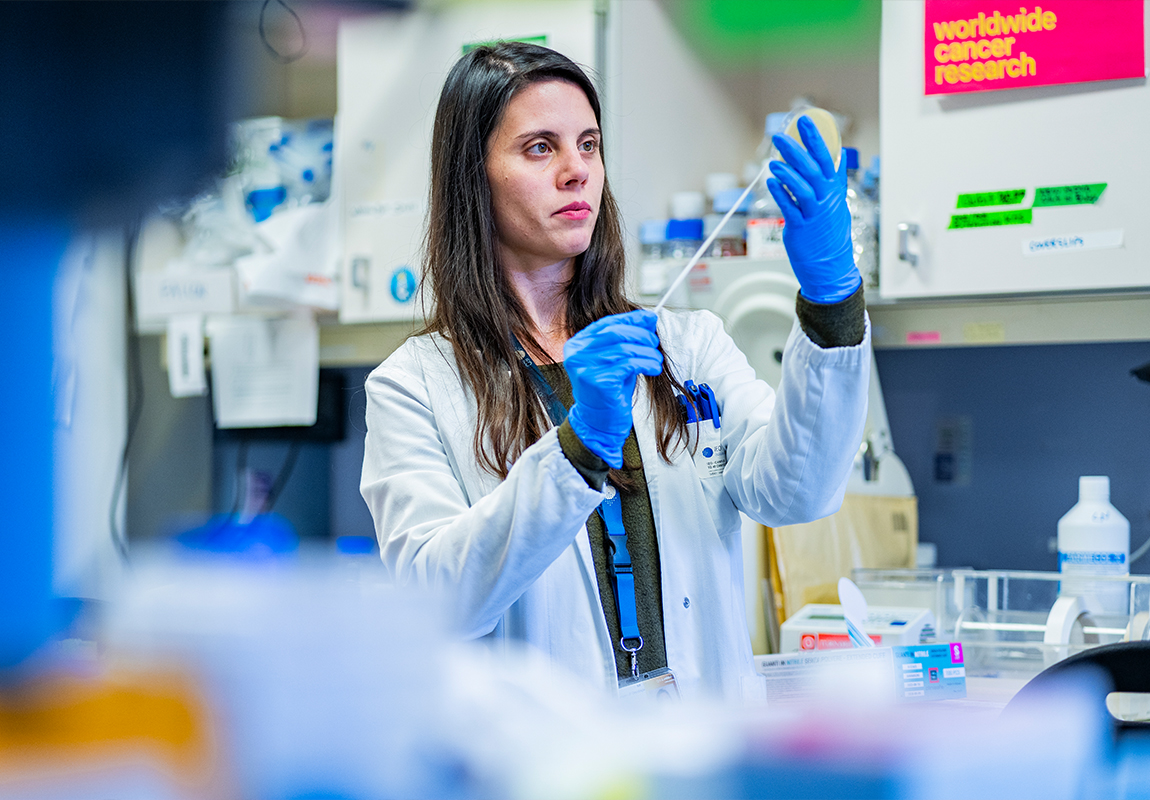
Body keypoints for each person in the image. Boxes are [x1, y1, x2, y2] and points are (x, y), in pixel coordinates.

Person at [360, 42, 870, 701]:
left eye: (589, 144)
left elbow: (798, 492)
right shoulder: (415, 386)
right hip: (544, 745)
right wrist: (575, 451)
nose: (577, 171)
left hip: (701, 737)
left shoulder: (684, 345)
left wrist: (832, 299)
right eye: (539, 148)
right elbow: (439, 604)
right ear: (472, 176)